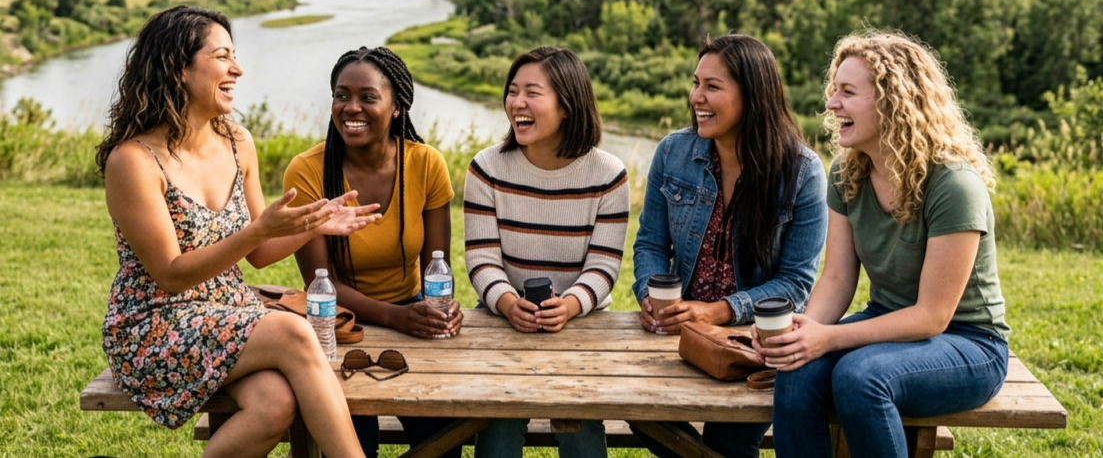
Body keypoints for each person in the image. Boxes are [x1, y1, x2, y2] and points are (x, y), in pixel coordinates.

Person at [98, 6, 378, 458]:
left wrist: (314, 223)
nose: (237, 69)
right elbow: (170, 274)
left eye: (235, 56)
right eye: (223, 56)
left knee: (274, 403)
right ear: (180, 69)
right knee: (294, 333)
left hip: (228, 314)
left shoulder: (237, 141)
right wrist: (255, 231)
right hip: (155, 327)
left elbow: (261, 252)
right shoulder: (132, 161)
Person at [760, 32, 1010, 458]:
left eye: (847, 92)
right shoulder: (847, 173)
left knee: (862, 377)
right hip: (886, 324)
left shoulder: (954, 185)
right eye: (833, 90)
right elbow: (838, 277)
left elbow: (932, 316)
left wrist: (830, 339)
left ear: (893, 101)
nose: (831, 104)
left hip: (969, 343)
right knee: (797, 371)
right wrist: (801, 334)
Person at [631, 34, 828, 458]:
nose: (696, 96)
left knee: (727, 442)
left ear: (753, 95)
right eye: (696, 82)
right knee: (636, 411)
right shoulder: (673, 152)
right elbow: (649, 241)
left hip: (753, 342)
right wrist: (650, 295)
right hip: (675, 335)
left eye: (712, 86)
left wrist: (718, 311)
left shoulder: (802, 172)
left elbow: (795, 285)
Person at [283, 46, 463, 458]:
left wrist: (442, 308)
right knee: (352, 432)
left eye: (368, 97)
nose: (352, 108)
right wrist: (393, 316)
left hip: (412, 312)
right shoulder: (308, 171)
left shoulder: (427, 164)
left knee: (440, 433)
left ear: (397, 106)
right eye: (341, 95)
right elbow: (319, 285)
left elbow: (438, 268)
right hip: (339, 326)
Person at [464, 46, 629, 458]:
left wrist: (570, 306)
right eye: (512, 91)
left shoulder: (608, 175)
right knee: (499, 425)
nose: (517, 103)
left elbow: (605, 266)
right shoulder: (486, 169)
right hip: (502, 321)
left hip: (581, 324)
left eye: (532, 93)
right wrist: (506, 303)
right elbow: (481, 259)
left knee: (581, 428)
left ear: (568, 105)